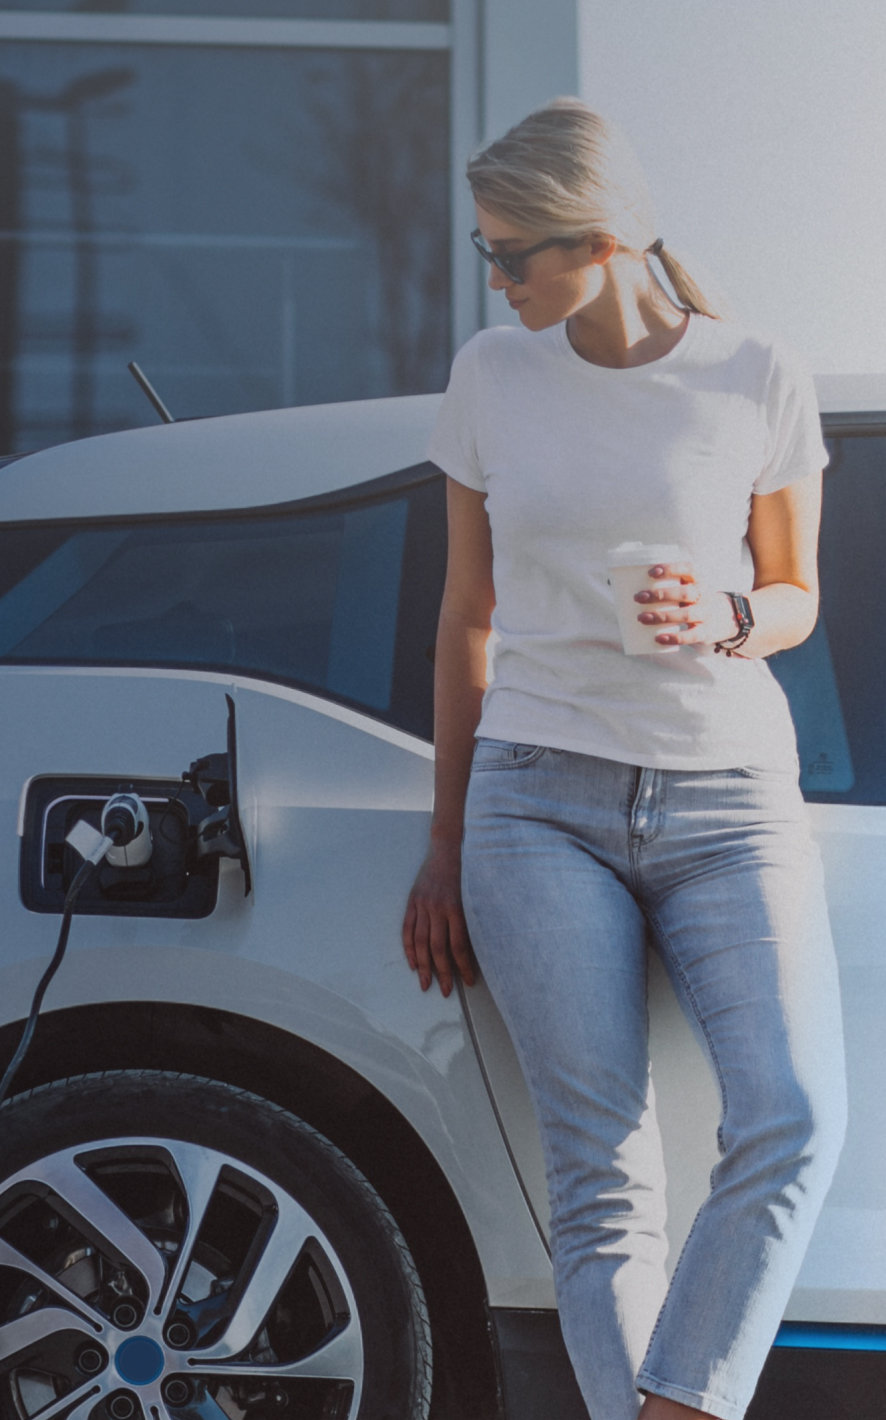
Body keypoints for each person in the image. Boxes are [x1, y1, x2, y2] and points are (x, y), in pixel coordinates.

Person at [401, 97, 847, 1420]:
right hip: (535, 802)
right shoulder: (490, 373)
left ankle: (672, 1409)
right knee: (600, 1172)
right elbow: (464, 618)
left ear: (594, 239)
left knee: (793, 1118)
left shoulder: (752, 370)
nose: (493, 279)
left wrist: (721, 617)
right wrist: (444, 839)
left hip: (727, 800)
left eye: (511, 254)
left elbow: (795, 597)